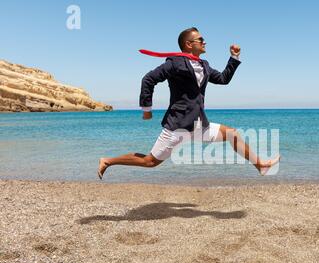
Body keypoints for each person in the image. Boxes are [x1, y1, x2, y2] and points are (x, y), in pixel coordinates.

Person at [98, 27, 280, 180]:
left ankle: (260, 165)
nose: (204, 42)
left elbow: (224, 79)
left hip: (199, 124)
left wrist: (234, 58)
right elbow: (148, 79)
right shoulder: (175, 63)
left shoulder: (205, 65)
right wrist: (147, 110)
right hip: (178, 126)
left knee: (232, 134)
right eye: (200, 39)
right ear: (188, 44)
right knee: (150, 162)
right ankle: (108, 161)